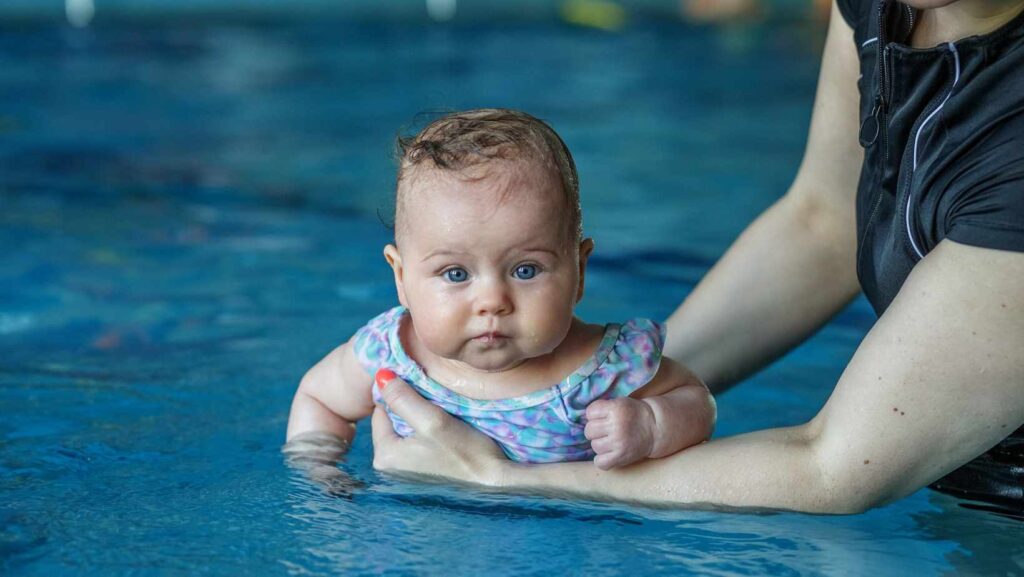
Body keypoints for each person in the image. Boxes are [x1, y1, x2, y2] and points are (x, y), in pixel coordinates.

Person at [369, 0, 1024, 515]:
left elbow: (834, 468)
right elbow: (824, 221)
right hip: (955, 486)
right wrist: (608, 388)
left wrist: (500, 477)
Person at [285, 109, 716, 492]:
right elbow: (319, 398)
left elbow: (696, 400)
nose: (492, 301)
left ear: (579, 271)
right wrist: (321, 473)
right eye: (456, 274)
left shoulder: (608, 368)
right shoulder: (388, 354)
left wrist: (652, 426)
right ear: (401, 278)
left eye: (525, 270)